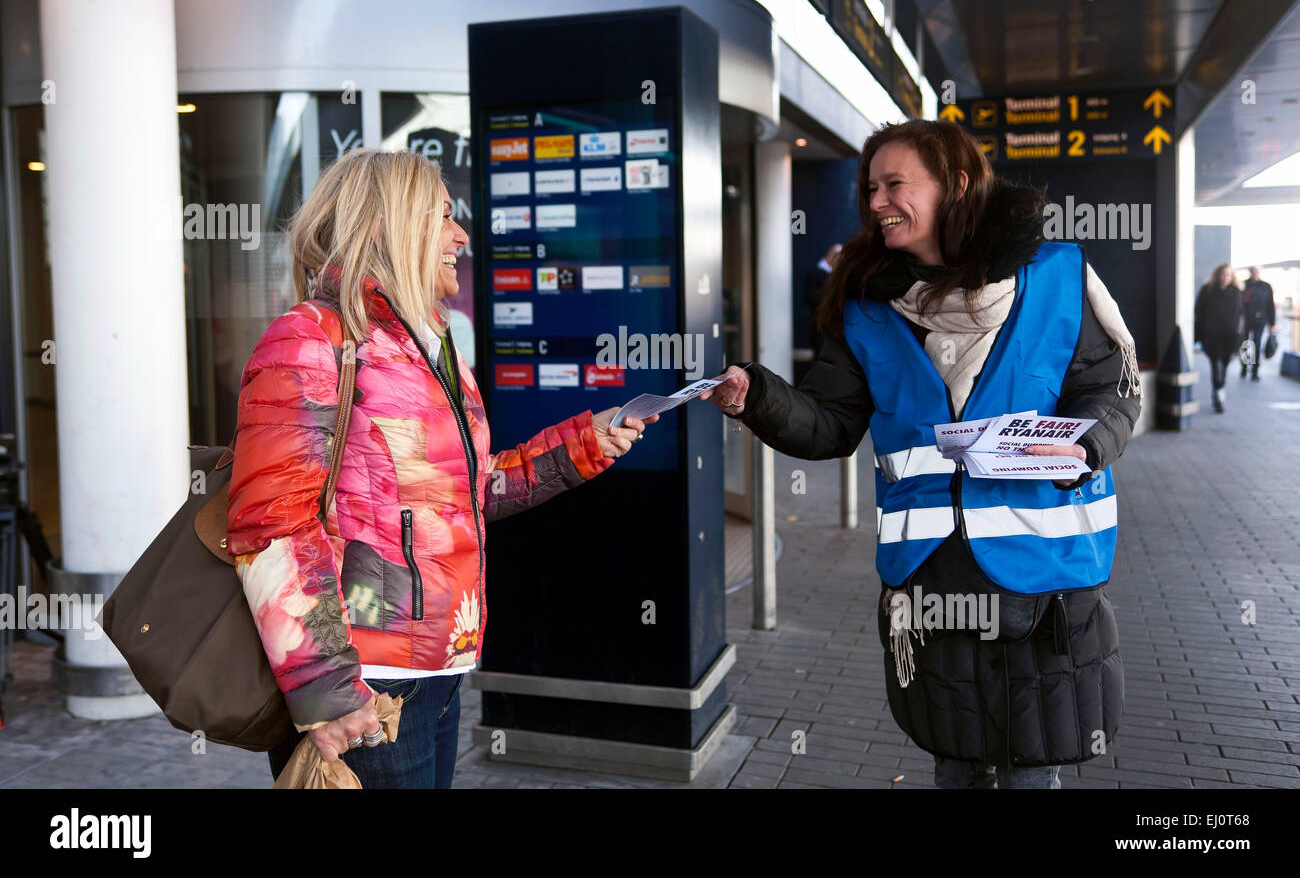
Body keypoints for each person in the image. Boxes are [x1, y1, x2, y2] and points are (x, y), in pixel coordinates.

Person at [700, 119, 1141, 788]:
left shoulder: (1057, 277)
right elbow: (830, 425)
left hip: (1046, 576)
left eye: (894, 184)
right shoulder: (866, 307)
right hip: (931, 578)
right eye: (870, 187)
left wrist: (1084, 443)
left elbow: (1110, 391)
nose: (876, 202)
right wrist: (754, 397)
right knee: (956, 765)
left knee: (1032, 771)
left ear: (956, 186)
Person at [225, 148, 657, 788]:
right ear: (388, 227)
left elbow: (472, 492)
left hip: (438, 671)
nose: (460, 237)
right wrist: (326, 691)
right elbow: (272, 529)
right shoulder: (311, 339)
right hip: (368, 685)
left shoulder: (432, 347)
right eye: (442, 218)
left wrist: (582, 446)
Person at [1193, 264, 1242, 412]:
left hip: (1230, 337)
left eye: (1228, 274)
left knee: (1225, 364)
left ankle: (1219, 389)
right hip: (1211, 336)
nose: (1225, 277)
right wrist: (1200, 333)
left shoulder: (1236, 292)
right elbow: (1198, 311)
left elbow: (1240, 316)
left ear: (1232, 277)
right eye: (1223, 274)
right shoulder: (1207, 290)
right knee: (1216, 362)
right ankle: (1218, 392)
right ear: (1217, 275)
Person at [802, 244, 842, 353]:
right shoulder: (815, 273)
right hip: (820, 326)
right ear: (832, 256)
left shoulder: (836, 275)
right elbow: (812, 298)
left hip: (834, 328)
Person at [1240, 266, 1276, 381]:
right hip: (1246, 320)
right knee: (1246, 344)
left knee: (1257, 344)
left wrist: (1272, 323)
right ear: (1250, 272)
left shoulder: (1266, 287)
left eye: (1257, 272)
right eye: (1253, 271)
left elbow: (1270, 305)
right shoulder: (1244, 285)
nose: (1255, 273)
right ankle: (1244, 367)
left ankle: (1255, 371)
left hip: (1260, 321)